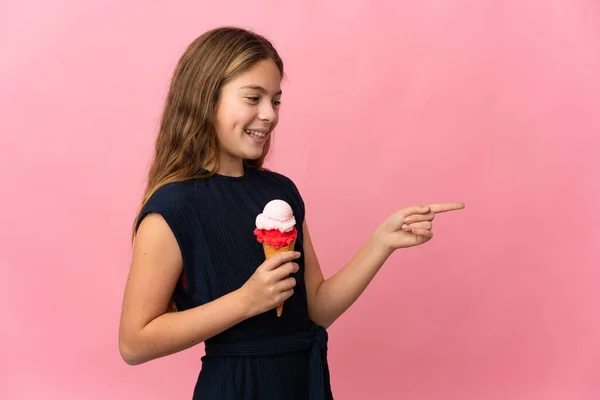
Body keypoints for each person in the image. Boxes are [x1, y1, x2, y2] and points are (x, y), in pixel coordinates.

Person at [118, 26, 465, 399]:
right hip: (237, 389)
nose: (268, 115)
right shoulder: (173, 208)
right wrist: (245, 301)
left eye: (276, 100)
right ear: (204, 99)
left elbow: (315, 310)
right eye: (253, 98)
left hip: (303, 383)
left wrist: (382, 242)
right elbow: (134, 344)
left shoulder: (280, 192)